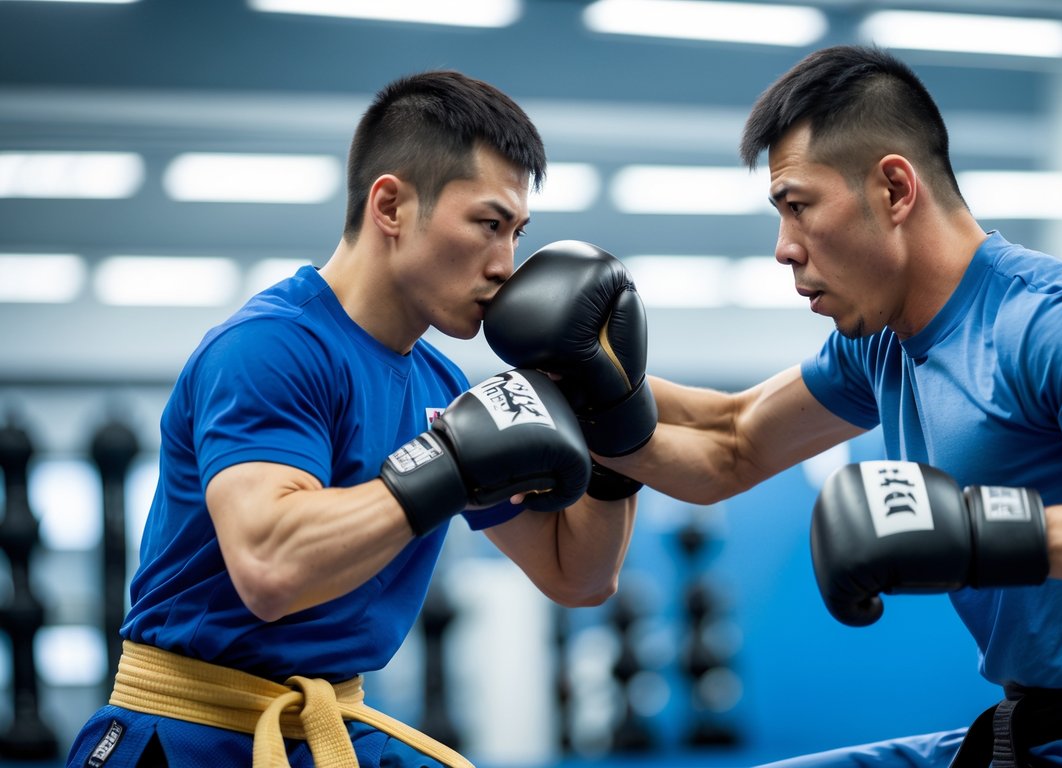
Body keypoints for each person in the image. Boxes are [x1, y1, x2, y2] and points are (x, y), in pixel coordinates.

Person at [482, 46, 1062, 767]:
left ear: (893, 188)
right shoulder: (882, 343)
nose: (783, 247)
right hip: (1034, 731)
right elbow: (730, 443)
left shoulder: (1055, 321)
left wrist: (971, 530)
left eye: (797, 205)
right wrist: (588, 384)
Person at [64, 69, 652, 768]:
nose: (506, 265)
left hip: (327, 731)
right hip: (189, 736)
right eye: (488, 225)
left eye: (518, 233)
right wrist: (449, 465)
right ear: (391, 205)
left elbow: (575, 577)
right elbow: (270, 567)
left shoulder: (440, 384)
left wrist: (614, 426)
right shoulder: (271, 347)